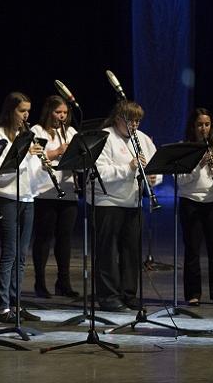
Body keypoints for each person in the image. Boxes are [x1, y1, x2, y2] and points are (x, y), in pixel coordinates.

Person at [90, 100, 162, 312]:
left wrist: (153, 179)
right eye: (131, 121)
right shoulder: (105, 137)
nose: (135, 126)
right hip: (107, 201)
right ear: (118, 118)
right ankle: (109, 297)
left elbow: (155, 167)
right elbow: (98, 174)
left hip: (133, 202)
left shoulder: (143, 139)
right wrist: (128, 168)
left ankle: (128, 294)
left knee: (131, 252)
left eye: (138, 121)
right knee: (108, 253)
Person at [0, 92, 43, 323]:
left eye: (28, 111)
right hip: (7, 197)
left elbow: (32, 171)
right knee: (9, 252)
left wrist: (39, 159)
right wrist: (22, 154)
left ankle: (17, 304)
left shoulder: (26, 134)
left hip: (27, 197)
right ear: (11, 111)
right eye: (21, 111)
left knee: (21, 255)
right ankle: (3, 307)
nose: (26, 115)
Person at [177, 108, 213, 306]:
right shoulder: (184, 148)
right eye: (200, 124)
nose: (203, 128)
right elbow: (181, 181)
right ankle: (193, 294)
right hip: (190, 202)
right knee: (192, 250)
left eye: (207, 124)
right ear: (193, 126)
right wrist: (198, 165)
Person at [30, 95, 80, 299]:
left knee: (65, 240)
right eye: (58, 112)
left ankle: (64, 282)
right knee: (43, 238)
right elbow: (33, 158)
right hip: (44, 191)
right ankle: (40, 282)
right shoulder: (37, 131)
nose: (62, 116)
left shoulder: (70, 132)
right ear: (49, 112)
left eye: (65, 113)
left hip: (67, 191)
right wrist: (57, 151)